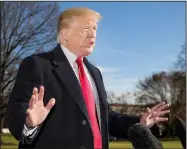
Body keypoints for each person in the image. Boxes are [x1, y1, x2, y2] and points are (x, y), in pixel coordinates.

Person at [7, 7, 170, 149]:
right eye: (85, 28)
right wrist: (29, 123)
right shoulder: (36, 65)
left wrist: (138, 122)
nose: (93, 34)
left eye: (94, 28)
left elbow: (104, 116)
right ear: (65, 34)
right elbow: (18, 111)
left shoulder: (95, 73)